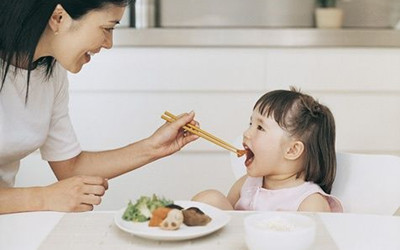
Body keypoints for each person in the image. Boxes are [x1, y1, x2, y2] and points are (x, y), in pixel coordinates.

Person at [0, 0, 199, 214]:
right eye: (107, 28)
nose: (109, 43)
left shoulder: (51, 72)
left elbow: (71, 168)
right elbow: (56, 189)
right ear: (59, 18)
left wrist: (153, 147)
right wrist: (44, 197)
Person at [192, 87, 343, 212]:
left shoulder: (310, 202)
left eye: (260, 127)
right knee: (209, 199)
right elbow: (226, 224)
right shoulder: (246, 184)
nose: (246, 133)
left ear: (292, 150)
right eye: (250, 123)